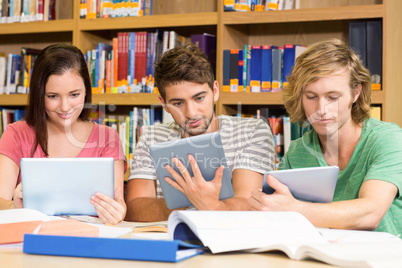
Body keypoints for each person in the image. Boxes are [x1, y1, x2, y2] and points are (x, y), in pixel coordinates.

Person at [248, 39, 402, 236]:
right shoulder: (297, 152)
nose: (321, 110)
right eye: (311, 97)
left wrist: (295, 208)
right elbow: (276, 216)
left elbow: (370, 214)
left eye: (333, 97)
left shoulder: (389, 140)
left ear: (356, 92)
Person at [125, 43, 275, 222]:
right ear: (164, 104)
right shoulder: (151, 137)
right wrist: (194, 198)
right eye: (178, 103)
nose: (191, 113)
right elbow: (134, 209)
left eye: (199, 98)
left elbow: (250, 205)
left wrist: (206, 204)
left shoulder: (253, 132)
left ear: (216, 91)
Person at [0, 44, 127, 224]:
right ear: (39, 94)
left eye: (74, 95)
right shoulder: (16, 134)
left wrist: (118, 211)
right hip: (33, 237)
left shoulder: (107, 138)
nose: (65, 107)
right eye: (53, 96)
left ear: (86, 91)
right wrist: (15, 207)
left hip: (91, 239)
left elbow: (118, 200)